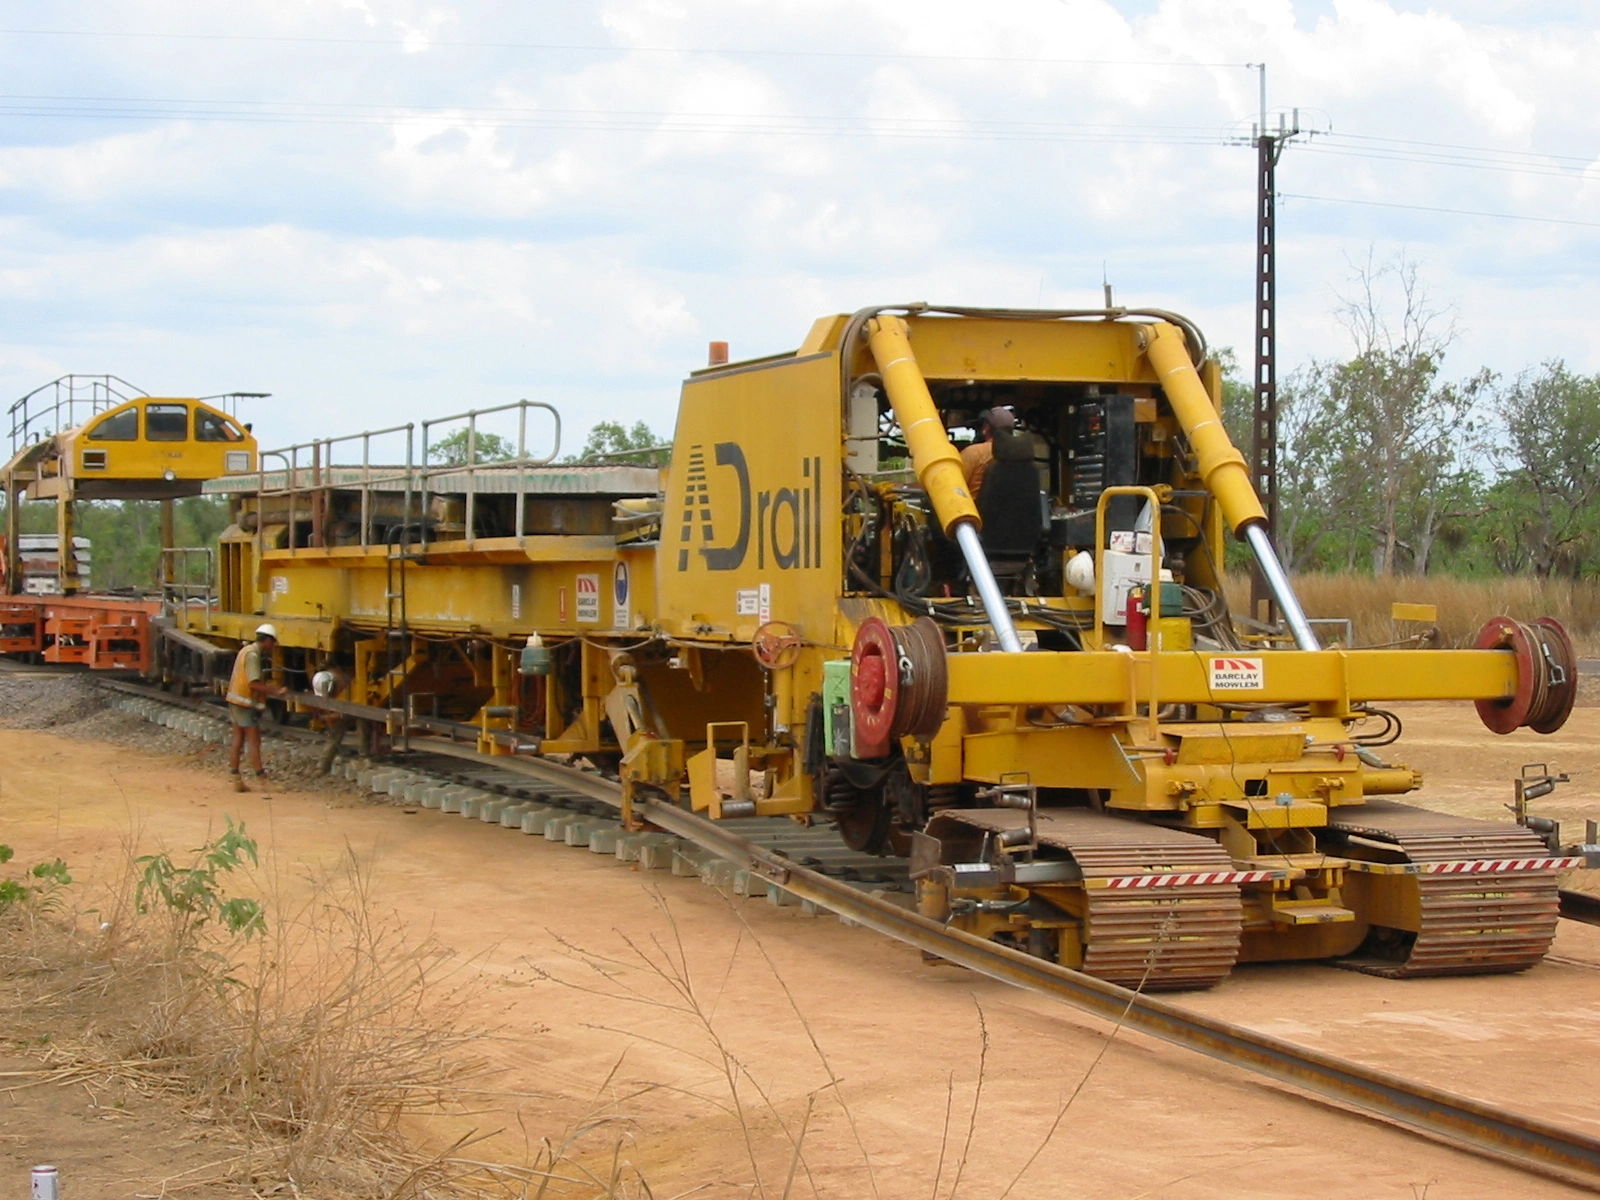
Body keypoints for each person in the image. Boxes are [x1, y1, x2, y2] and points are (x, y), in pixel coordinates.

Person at [226, 623, 287, 792]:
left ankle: (236, 778)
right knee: (254, 741)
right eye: (273, 642)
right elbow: (254, 684)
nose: (273, 646)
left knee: (237, 740)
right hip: (244, 702)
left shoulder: (244, 650)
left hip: (234, 699)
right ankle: (263, 781)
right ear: (267, 640)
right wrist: (276, 690)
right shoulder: (253, 655)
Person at [960, 406, 1016, 497]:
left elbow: (955, 486)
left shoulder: (974, 452)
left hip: (975, 509)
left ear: (986, 427)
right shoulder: (1019, 455)